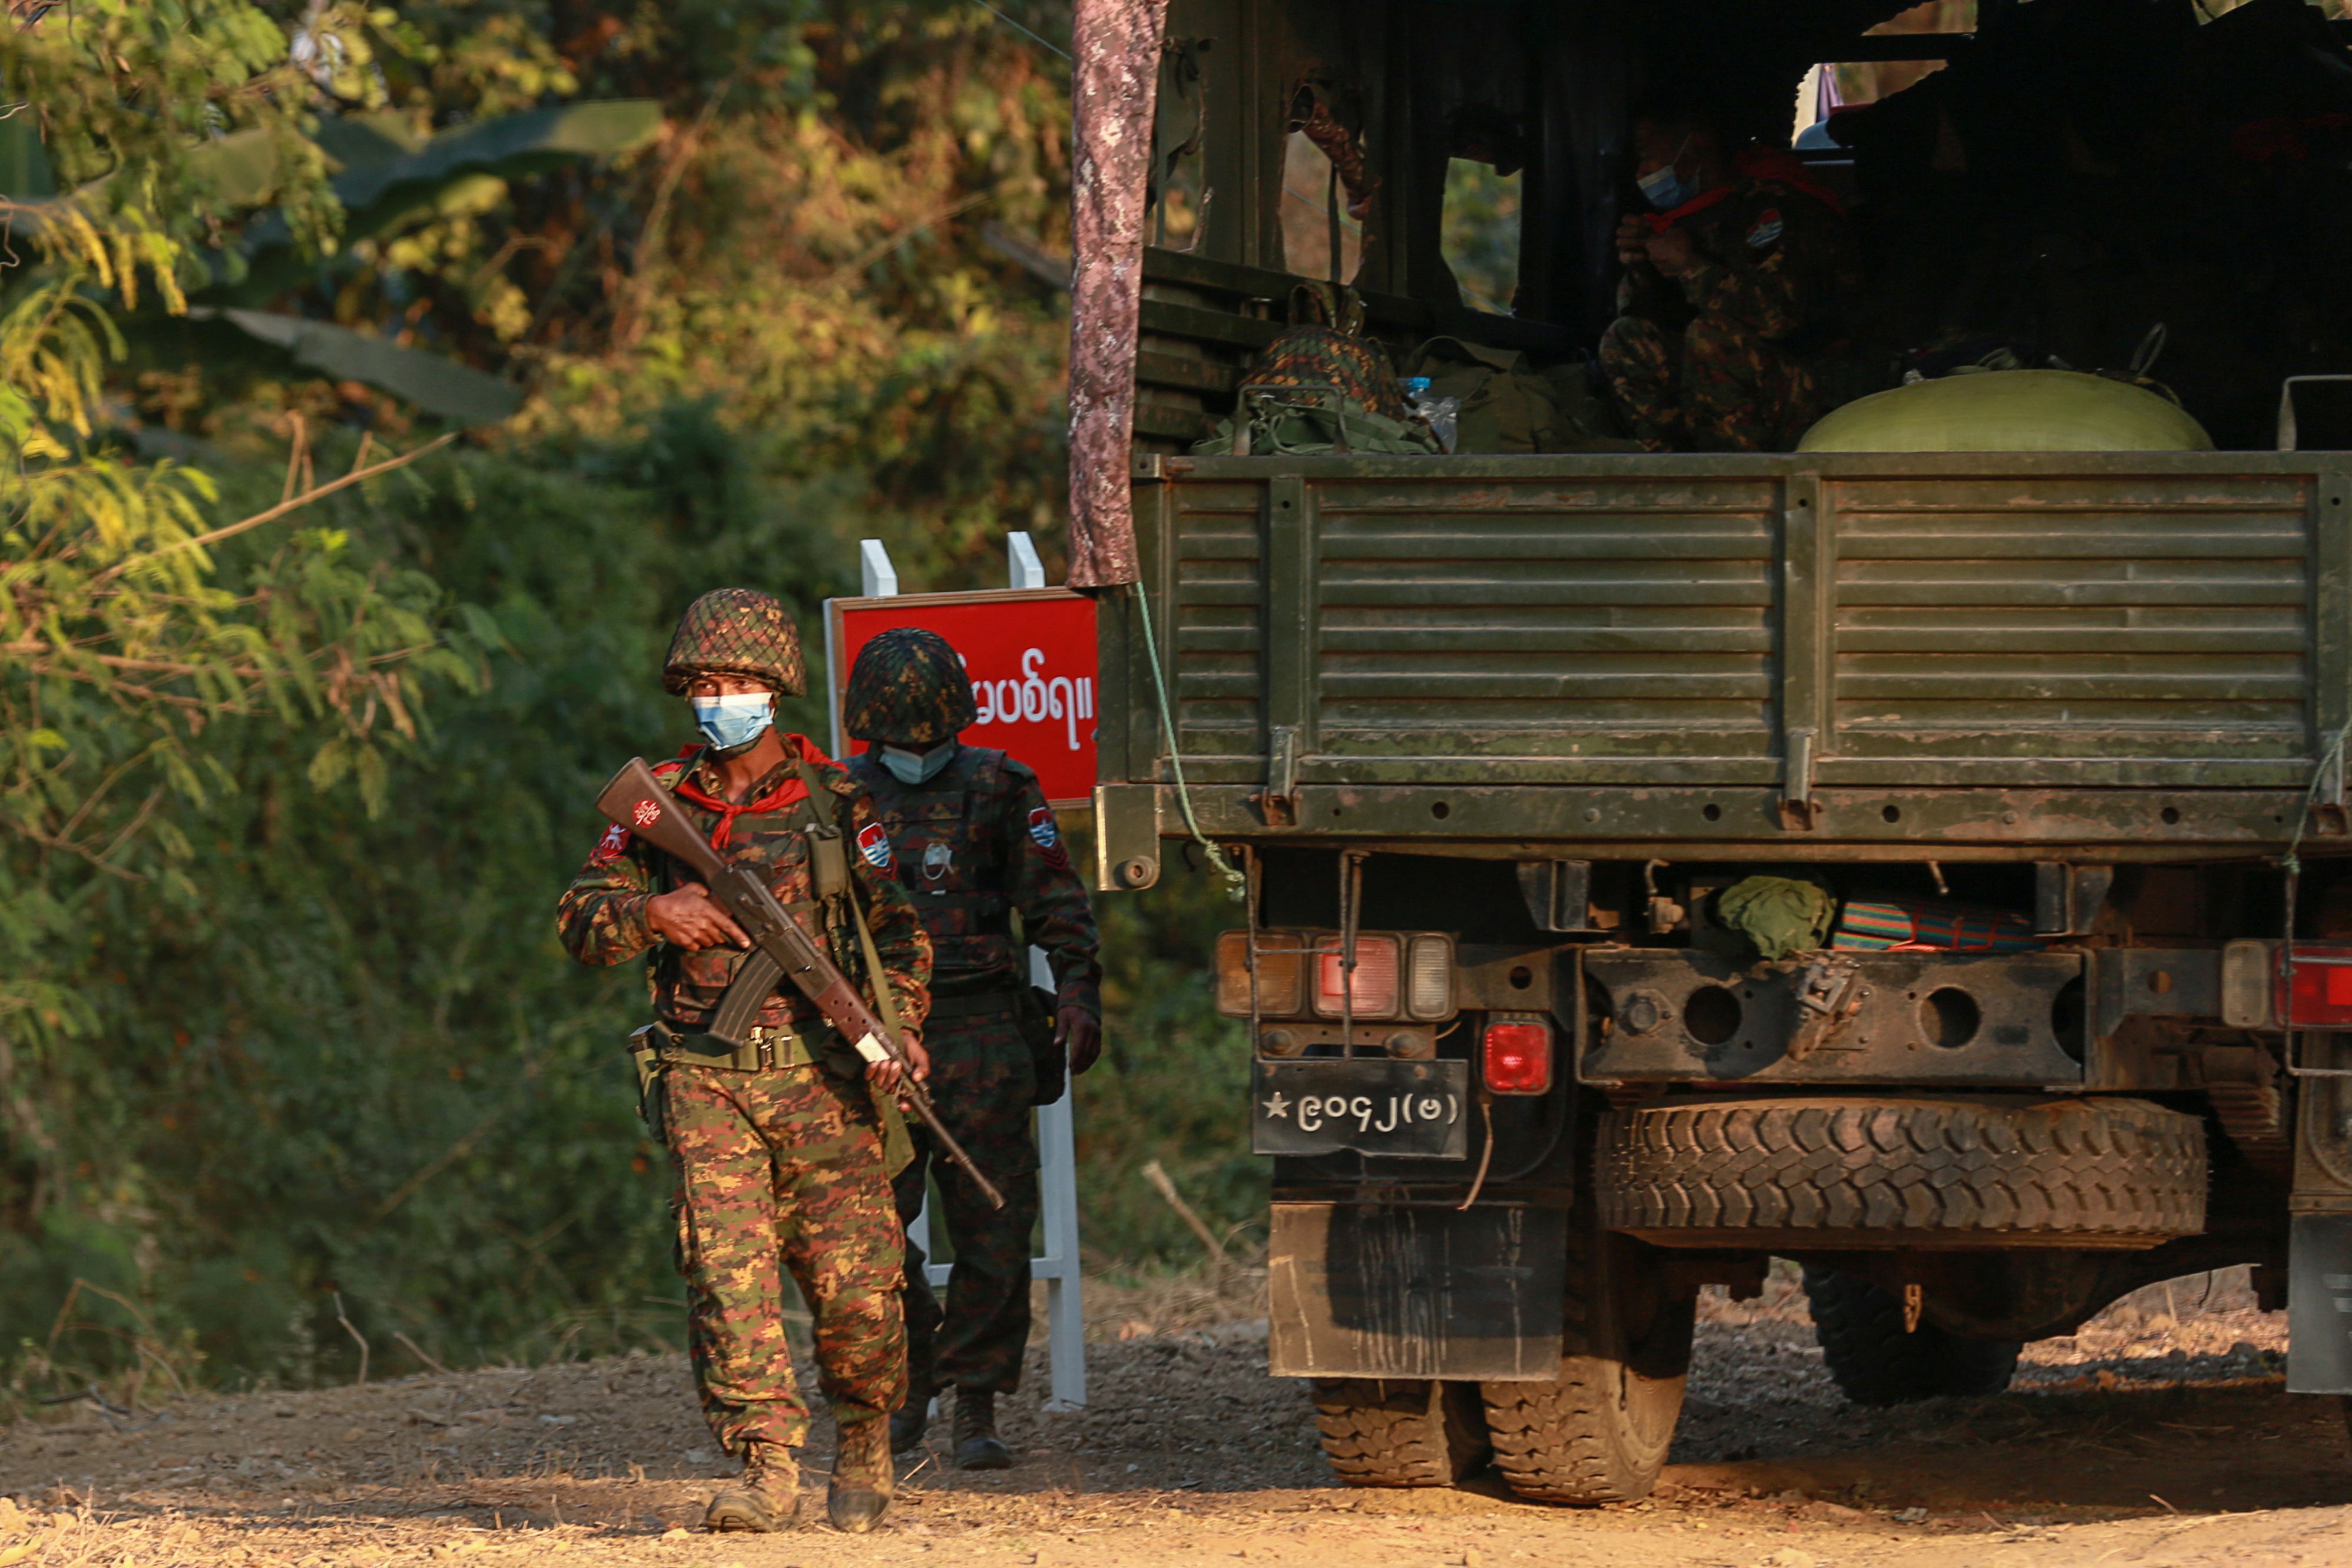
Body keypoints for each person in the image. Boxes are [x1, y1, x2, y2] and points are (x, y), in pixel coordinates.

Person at [556, 588, 933, 1536]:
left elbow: (898, 936)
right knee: (728, 1276)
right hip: (703, 1070)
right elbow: (580, 913)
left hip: (823, 1076)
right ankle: (766, 1463)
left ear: (777, 689)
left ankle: (863, 1437)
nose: (717, 699)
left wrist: (901, 1026)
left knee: (856, 1282)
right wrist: (652, 912)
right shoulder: (660, 803)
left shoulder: (835, 802)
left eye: (736, 682)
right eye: (704, 683)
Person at [839, 628, 1104, 1469]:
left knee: (993, 1219)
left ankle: (976, 1399)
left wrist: (1077, 990)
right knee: (873, 1226)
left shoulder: (998, 784)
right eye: (898, 729)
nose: (915, 746)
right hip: (873, 1038)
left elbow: (1056, 899)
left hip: (981, 1024)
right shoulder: (836, 794)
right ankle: (911, 1374)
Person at [1599, 102, 1854, 452]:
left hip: (1822, 382)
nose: (1641, 169)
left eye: (1647, 151)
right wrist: (1644, 271)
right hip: (1736, 386)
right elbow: (1663, 319)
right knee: (1627, 338)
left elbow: (1778, 320)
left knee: (1712, 336)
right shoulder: (1687, 220)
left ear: (1697, 146)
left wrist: (1689, 266)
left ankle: (1735, 483)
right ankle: (1673, 472)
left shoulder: (1775, 204)